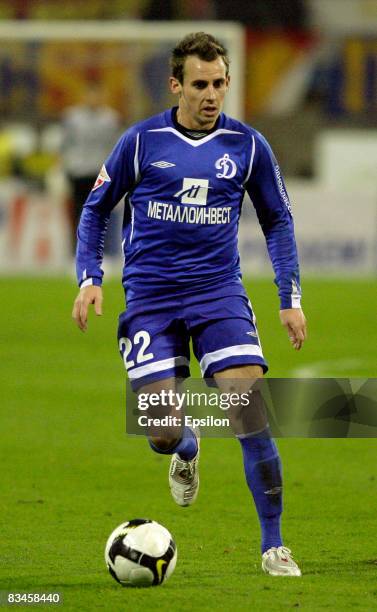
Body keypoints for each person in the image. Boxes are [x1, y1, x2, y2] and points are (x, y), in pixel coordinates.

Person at [72, 32, 307, 577]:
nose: (211, 95)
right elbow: (94, 209)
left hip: (217, 293)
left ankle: (274, 546)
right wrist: (90, 278)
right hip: (151, 300)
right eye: (200, 84)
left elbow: (278, 220)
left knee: (249, 409)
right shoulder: (140, 141)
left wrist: (288, 298)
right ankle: (185, 446)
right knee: (160, 428)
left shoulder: (248, 146)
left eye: (220, 83)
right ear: (177, 84)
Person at [61, 83, 121, 252]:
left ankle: (99, 251)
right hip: (78, 171)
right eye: (90, 95)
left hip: (99, 172)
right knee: (77, 213)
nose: (93, 99)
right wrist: (65, 166)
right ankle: (75, 251)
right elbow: (65, 144)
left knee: (100, 213)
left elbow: (114, 146)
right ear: (84, 96)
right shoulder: (72, 117)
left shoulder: (110, 118)